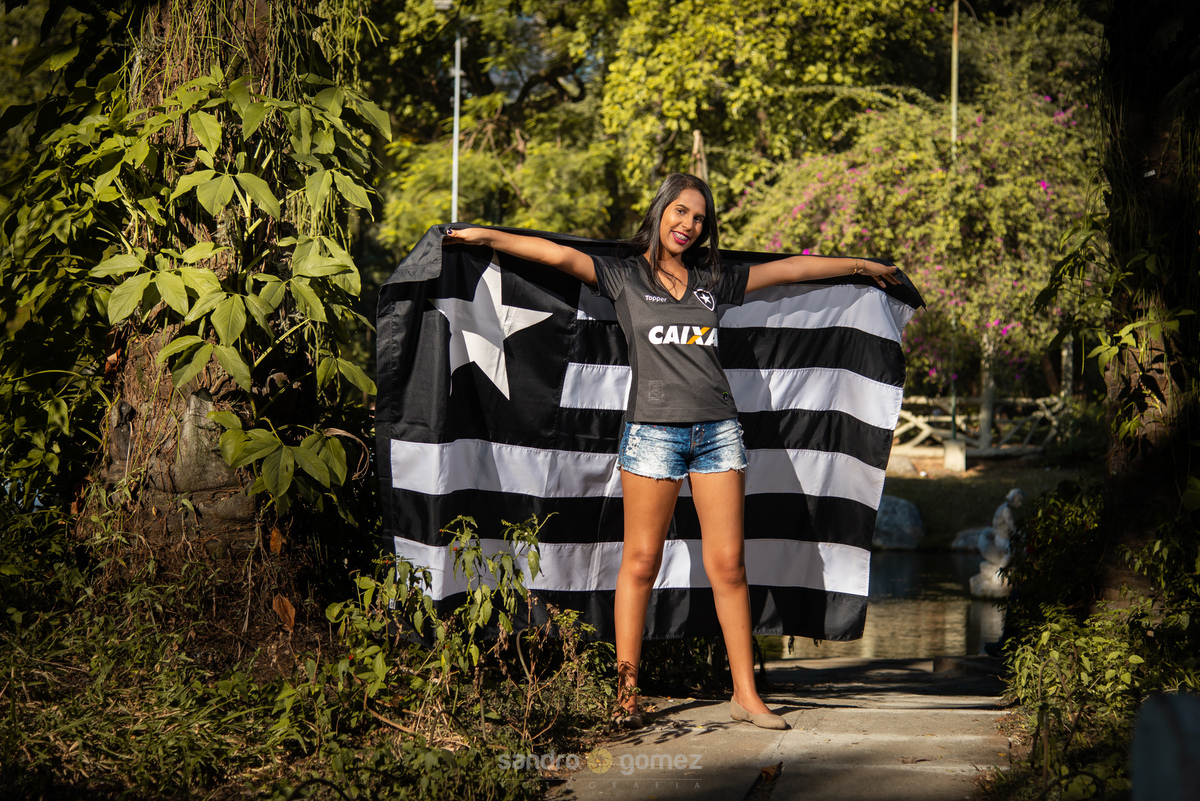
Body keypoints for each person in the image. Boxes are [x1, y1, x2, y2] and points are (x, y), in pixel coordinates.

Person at [445, 173, 900, 730]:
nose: (687, 224)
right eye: (679, 212)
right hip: (653, 437)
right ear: (661, 212)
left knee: (729, 567)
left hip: (718, 435)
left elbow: (792, 270)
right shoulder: (625, 275)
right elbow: (557, 256)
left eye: (699, 218)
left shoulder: (715, 280)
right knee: (639, 564)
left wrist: (861, 268)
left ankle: (746, 695)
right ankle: (626, 696)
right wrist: (488, 237)